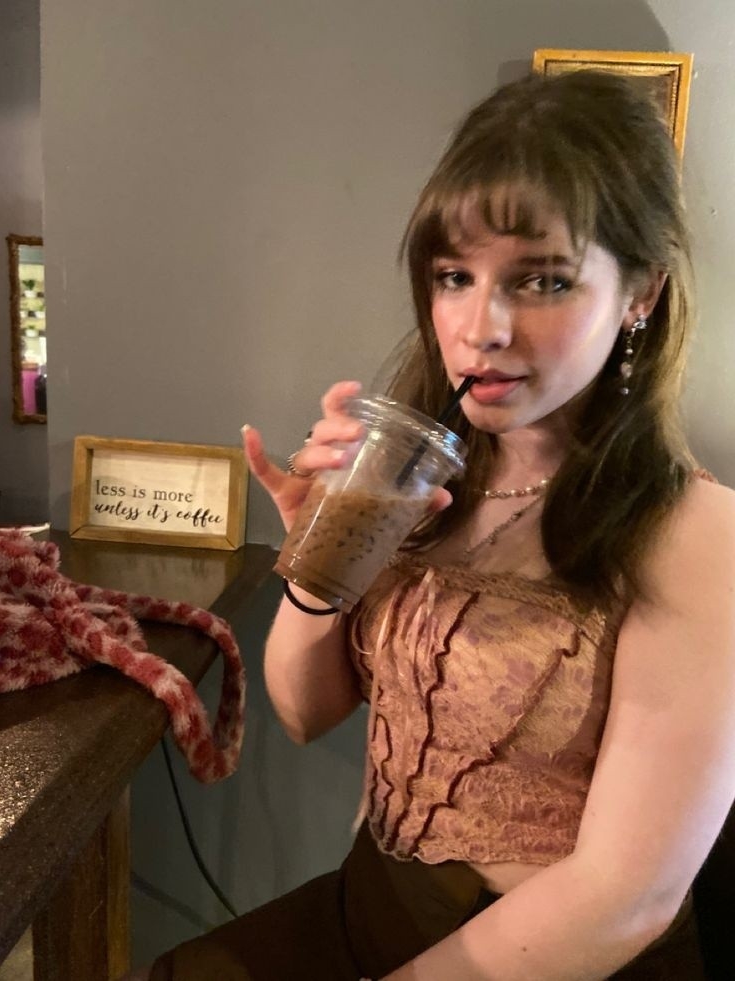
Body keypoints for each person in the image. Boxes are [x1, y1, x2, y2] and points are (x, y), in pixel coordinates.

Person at [136, 69, 735, 980]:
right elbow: (302, 713)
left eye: (543, 279)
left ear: (640, 294)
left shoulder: (696, 534)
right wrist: (320, 566)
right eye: (455, 276)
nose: (478, 327)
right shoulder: (413, 475)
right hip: (374, 904)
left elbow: (626, 898)